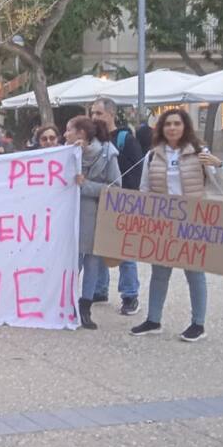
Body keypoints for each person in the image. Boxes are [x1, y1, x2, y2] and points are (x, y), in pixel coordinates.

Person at [131, 108, 223, 342]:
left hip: (192, 221)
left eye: (177, 123)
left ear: (185, 126)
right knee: (159, 273)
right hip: (163, 222)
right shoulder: (152, 155)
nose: (172, 128)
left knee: (195, 274)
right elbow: (144, 188)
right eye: (168, 124)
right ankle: (153, 320)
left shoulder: (199, 153)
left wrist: (218, 164)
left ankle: (198, 324)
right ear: (161, 128)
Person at [87, 97, 144, 315]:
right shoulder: (92, 140)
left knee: (124, 250)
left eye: (99, 113)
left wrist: (124, 197)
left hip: (121, 203)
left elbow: (136, 172)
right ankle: (100, 289)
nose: (94, 117)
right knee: (98, 246)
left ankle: (130, 295)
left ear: (111, 114)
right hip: (98, 201)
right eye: (92, 113)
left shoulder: (125, 140)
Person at [65, 117, 120, 330]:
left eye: (68, 130)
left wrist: (86, 186)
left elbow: (116, 188)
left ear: (81, 133)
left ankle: (85, 307)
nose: (65, 135)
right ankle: (66, 303)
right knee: (71, 263)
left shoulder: (108, 155)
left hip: (94, 217)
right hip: (69, 216)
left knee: (91, 263)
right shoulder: (66, 152)